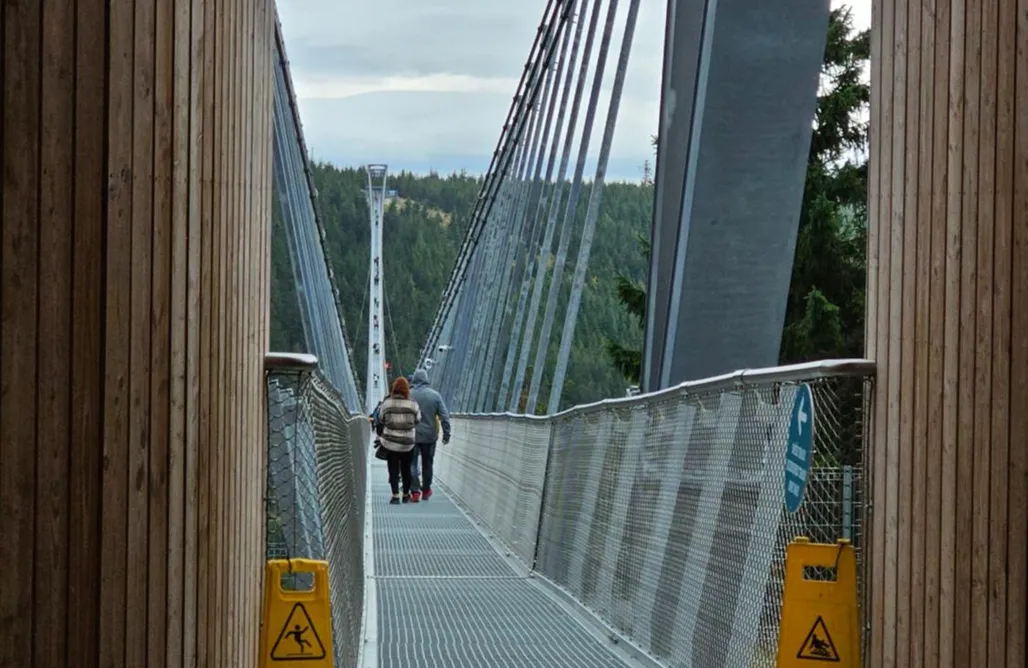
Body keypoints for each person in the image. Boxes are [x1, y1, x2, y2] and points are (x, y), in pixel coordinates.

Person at [407, 368, 451, 502]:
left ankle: (414, 492)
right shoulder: (435, 396)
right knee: (427, 464)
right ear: (426, 379)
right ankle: (426, 490)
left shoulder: (408, 395)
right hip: (429, 437)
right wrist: (446, 433)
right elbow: (444, 416)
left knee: (411, 464)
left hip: (411, 436)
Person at [376, 377, 421, 504]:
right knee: (406, 468)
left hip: (391, 442)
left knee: (393, 469)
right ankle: (406, 494)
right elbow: (418, 419)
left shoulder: (387, 403)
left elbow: (381, 418)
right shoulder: (413, 404)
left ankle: (395, 495)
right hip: (408, 443)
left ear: (394, 388)